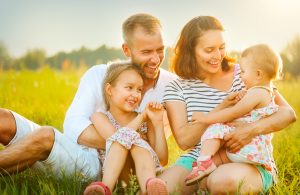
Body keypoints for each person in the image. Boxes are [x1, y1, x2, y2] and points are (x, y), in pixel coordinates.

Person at [0, 13, 176, 180]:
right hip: (76, 151)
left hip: (100, 168)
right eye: (146, 52)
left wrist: (122, 147)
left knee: (45, 135)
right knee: (3, 118)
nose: (155, 59)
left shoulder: (173, 87)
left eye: (160, 50)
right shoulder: (100, 75)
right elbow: (73, 125)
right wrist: (129, 142)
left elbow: (171, 149)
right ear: (126, 49)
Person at [159, 16, 296, 194]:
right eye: (209, 50)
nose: (218, 56)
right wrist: (221, 108)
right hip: (201, 159)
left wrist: (250, 129)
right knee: (159, 189)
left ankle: (212, 185)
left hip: (247, 158)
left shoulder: (246, 72)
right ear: (190, 50)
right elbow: (185, 140)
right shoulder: (176, 87)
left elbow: (287, 113)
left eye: (222, 47)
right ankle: (202, 182)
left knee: (221, 181)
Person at [185, 44, 283, 186]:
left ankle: (204, 161)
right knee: (209, 174)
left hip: (247, 147)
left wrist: (205, 118)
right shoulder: (262, 92)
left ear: (258, 74)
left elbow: (233, 112)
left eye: (243, 71)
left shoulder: (257, 92)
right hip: (248, 148)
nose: (240, 76)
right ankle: (204, 175)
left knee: (215, 127)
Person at [83, 62, 168, 195]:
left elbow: (162, 159)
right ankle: (105, 189)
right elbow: (119, 140)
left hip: (144, 176)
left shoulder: (147, 120)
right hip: (117, 177)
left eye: (139, 90)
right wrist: (141, 119)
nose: (135, 94)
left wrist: (157, 124)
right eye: (129, 88)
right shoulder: (99, 117)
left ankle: (150, 189)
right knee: (129, 141)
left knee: (138, 145)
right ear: (110, 90)